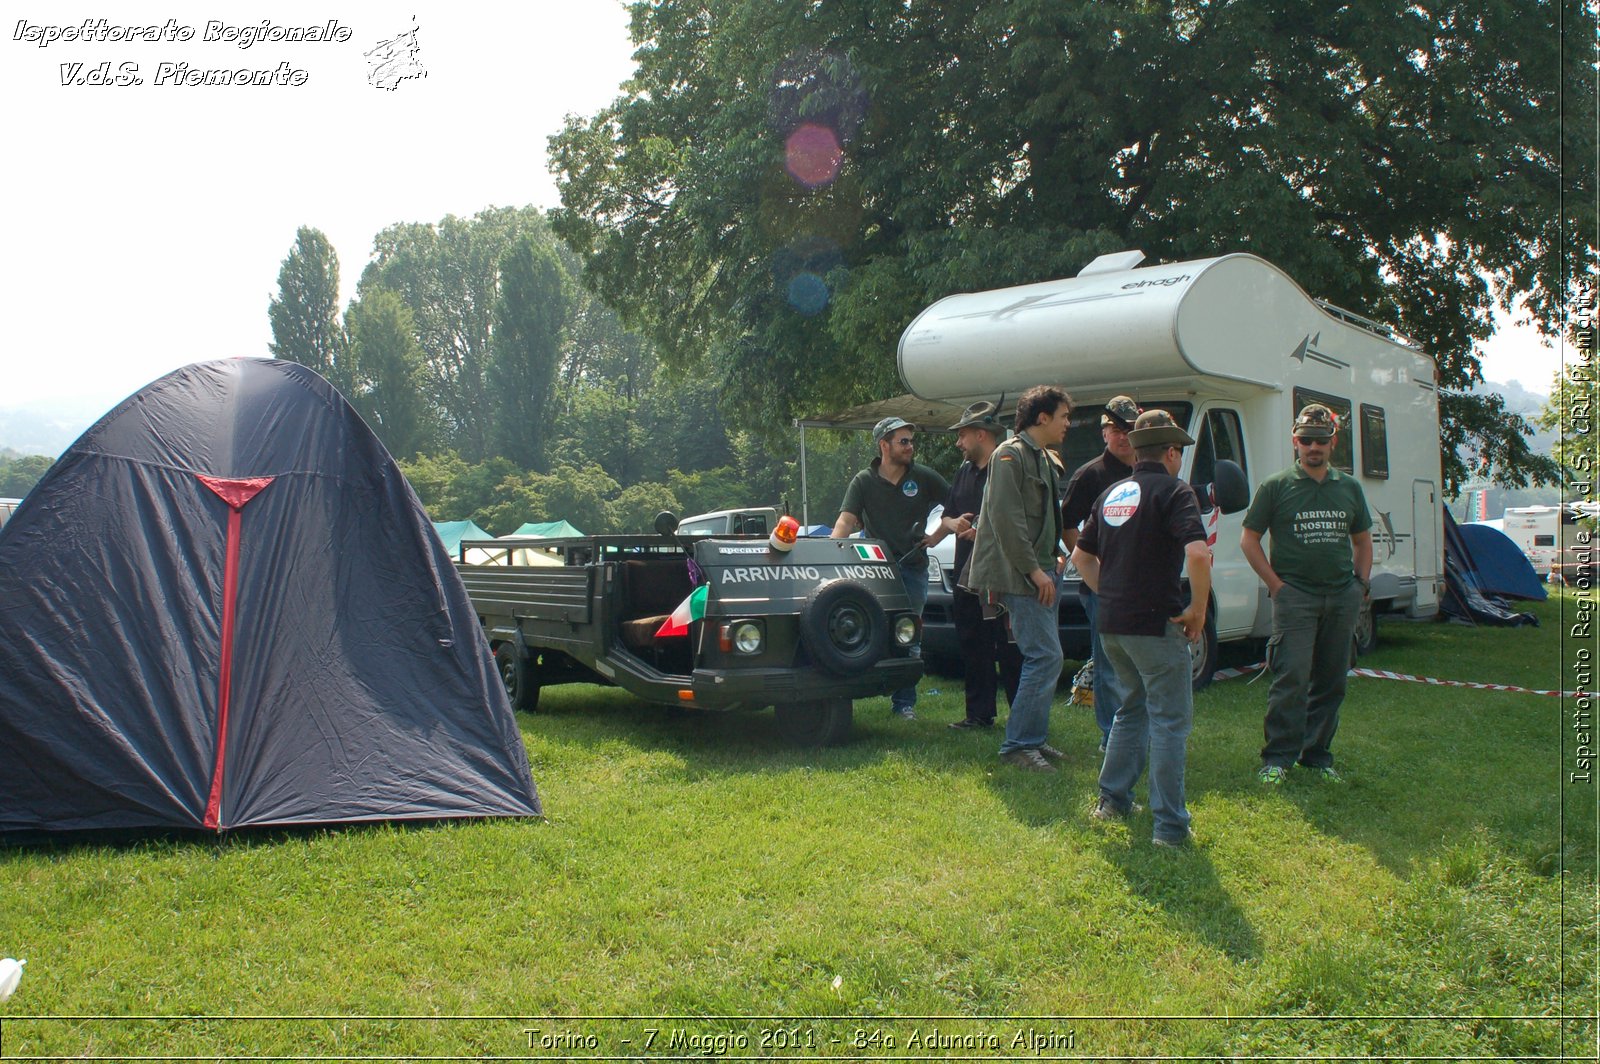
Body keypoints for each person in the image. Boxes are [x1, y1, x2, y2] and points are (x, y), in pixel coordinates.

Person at [1070, 409, 1211, 847]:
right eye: (1179, 453)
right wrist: (1198, 611)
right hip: (1155, 624)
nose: (1180, 460)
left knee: (1130, 709)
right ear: (1170, 452)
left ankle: (1112, 801)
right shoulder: (1176, 491)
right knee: (1169, 721)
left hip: (1112, 626)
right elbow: (1199, 555)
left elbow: (1080, 556)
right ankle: (1169, 827)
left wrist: (1109, 595)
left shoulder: (1112, 493)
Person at [1240, 403, 1373, 784]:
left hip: (1341, 596)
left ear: (1333, 443)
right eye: (1307, 440)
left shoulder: (1348, 488)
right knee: (1291, 678)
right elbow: (1250, 540)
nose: (1314, 447)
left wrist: (1359, 585)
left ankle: (1317, 756)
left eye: (1322, 440)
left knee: (1332, 679)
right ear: (1295, 442)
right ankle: (1278, 759)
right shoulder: (1276, 486)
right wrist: (1276, 585)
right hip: (1295, 596)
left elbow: (1362, 541)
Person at [968, 386, 1072, 771]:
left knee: (1044, 656)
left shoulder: (1042, 457)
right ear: (1041, 417)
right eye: (1063, 416)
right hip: (1022, 575)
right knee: (1045, 656)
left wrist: (1056, 552)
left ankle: (1033, 740)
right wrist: (1034, 571)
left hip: (1042, 569)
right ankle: (1018, 745)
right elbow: (1006, 518)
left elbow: (1043, 515)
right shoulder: (1009, 454)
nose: (1068, 424)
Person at [833, 416, 951, 719]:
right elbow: (846, 520)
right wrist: (831, 552)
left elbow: (957, 503)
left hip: (913, 568)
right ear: (884, 445)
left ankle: (904, 705)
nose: (910, 446)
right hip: (875, 570)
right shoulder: (863, 481)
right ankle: (865, 690)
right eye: (903, 441)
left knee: (910, 636)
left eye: (911, 441)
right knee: (870, 633)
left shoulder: (924, 477)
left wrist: (938, 534)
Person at [1060, 395, 1141, 750]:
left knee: (1140, 663)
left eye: (1130, 430)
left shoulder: (1148, 469)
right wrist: (1091, 561)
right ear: (1104, 433)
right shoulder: (1091, 474)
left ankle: (1136, 731)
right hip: (1101, 586)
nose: (1123, 437)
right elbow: (1065, 525)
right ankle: (1110, 737)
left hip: (1142, 584)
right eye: (1116, 430)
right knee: (1108, 665)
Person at [936, 402, 1022, 729]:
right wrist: (954, 522)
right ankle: (978, 714)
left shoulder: (1006, 468)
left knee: (1011, 647)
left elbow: (1014, 518)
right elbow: (946, 514)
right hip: (966, 575)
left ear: (981, 434)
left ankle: (1021, 715)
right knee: (973, 643)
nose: (959, 443)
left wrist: (983, 532)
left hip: (1001, 575)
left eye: (962, 435)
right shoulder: (964, 471)